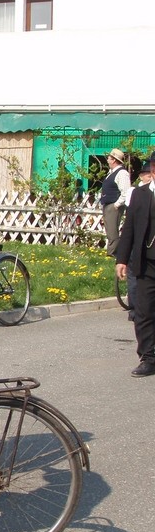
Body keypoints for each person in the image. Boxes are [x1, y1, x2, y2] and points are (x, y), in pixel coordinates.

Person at [116, 152, 155, 377]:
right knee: (143, 312)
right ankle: (148, 357)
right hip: (146, 263)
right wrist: (122, 260)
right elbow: (128, 228)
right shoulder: (140, 195)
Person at [121, 161, 152, 322]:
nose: (149, 175)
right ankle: (134, 307)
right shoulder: (136, 192)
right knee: (134, 276)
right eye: (147, 173)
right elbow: (130, 224)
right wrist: (122, 258)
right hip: (138, 243)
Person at [102, 148, 131, 256]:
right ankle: (112, 252)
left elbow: (126, 192)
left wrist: (117, 204)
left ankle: (113, 253)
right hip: (108, 204)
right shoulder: (112, 173)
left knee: (113, 231)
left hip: (113, 206)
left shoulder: (122, 173)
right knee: (110, 230)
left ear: (114, 160)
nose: (108, 160)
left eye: (109, 158)